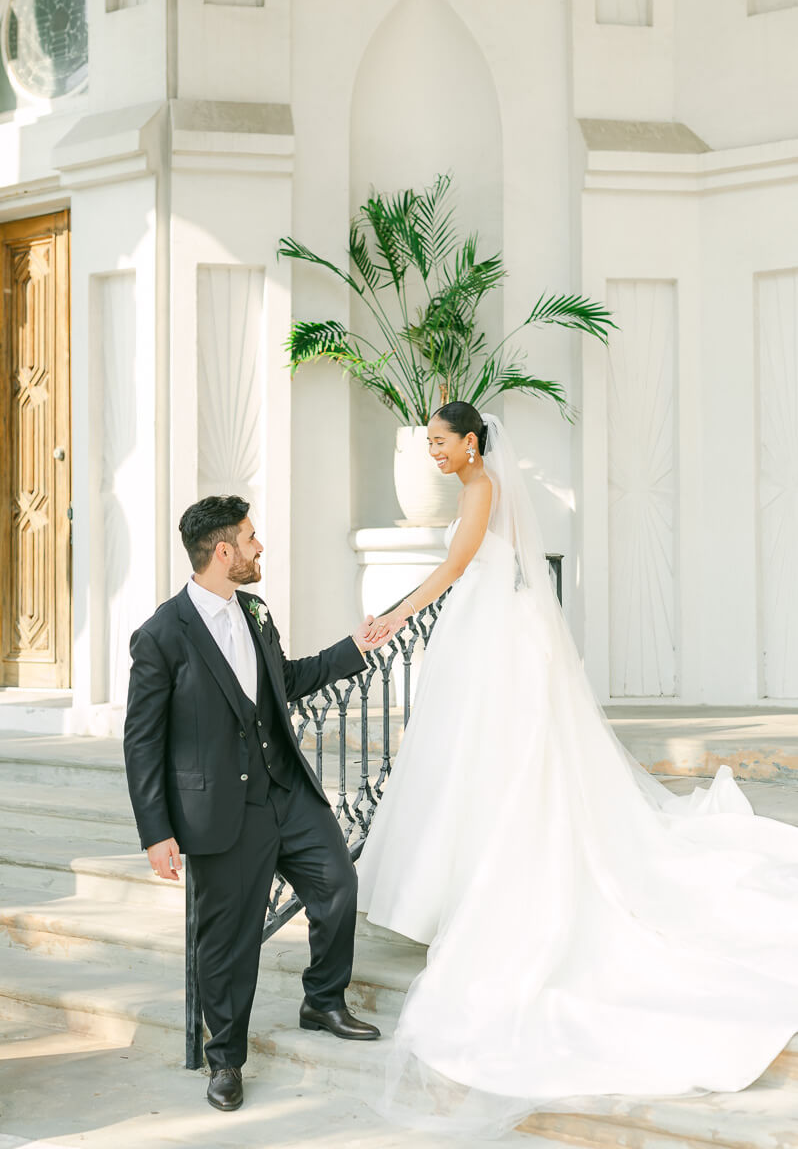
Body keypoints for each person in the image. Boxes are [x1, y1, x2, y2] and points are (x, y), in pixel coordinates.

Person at [357, 403, 798, 1137]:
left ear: (471, 442)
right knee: (475, 760)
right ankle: (456, 885)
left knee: (496, 760)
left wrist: (396, 615)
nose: (432, 452)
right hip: (490, 626)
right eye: (428, 443)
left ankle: (481, 884)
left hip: (490, 630)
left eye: (440, 441)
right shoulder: (480, 486)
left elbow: (456, 566)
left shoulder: (480, 489)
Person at [123, 495, 392, 1113]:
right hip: (219, 811)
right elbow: (141, 742)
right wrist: (155, 829)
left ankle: (322, 999)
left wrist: (356, 646)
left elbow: (285, 682)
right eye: (250, 538)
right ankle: (225, 1060)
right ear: (223, 552)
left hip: (285, 791)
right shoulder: (162, 634)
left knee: (337, 884)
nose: (259, 546)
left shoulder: (257, 611)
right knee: (228, 942)